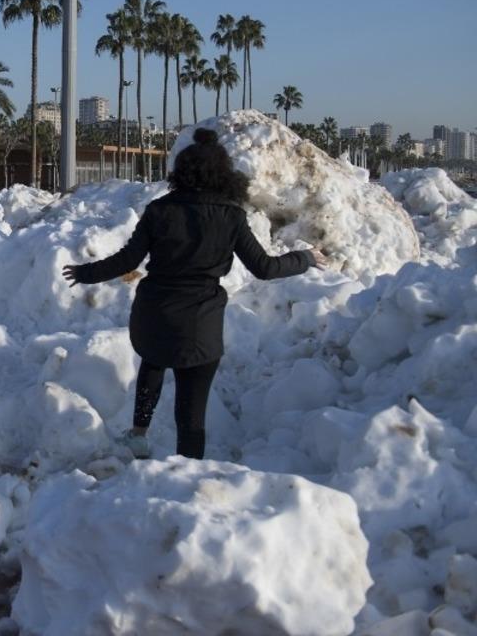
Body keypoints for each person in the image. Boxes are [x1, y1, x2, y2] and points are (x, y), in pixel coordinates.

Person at [62, 128, 324, 460]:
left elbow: (128, 259)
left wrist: (85, 272)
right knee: (191, 415)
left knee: (153, 361)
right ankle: (188, 472)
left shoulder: (159, 210)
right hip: (200, 326)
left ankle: (138, 434)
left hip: (154, 315)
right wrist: (305, 257)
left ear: (181, 171)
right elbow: (264, 268)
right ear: (224, 176)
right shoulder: (231, 217)